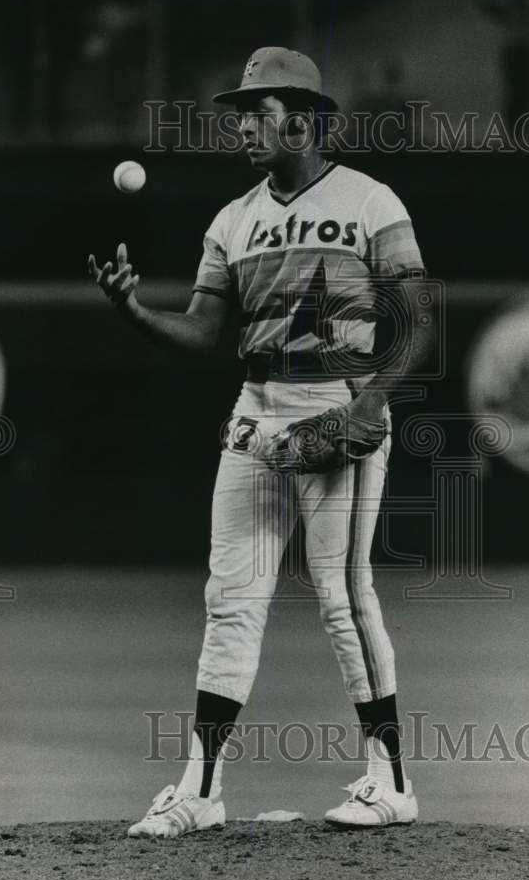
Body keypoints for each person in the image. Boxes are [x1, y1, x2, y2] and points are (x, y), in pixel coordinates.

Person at [88, 47, 429, 837]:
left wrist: (373, 400)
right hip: (257, 411)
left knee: (344, 598)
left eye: (259, 112)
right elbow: (207, 331)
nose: (243, 125)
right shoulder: (232, 219)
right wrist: (135, 313)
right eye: (240, 113)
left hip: (339, 403)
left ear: (305, 120)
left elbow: (418, 320)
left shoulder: (371, 202)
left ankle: (392, 781)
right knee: (229, 602)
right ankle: (200, 791)